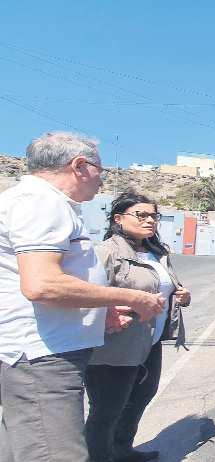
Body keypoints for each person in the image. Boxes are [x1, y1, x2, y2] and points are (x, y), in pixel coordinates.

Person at [0, 132, 165, 462]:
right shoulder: (42, 203)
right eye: (99, 170)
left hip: (39, 353)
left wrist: (102, 309)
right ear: (79, 166)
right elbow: (42, 284)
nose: (101, 179)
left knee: (23, 448)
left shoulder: (36, 201)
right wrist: (132, 297)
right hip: (43, 358)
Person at [85, 191, 191, 462]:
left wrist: (182, 295)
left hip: (149, 342)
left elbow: (167, 287)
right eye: (141, 215)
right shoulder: (106, 252)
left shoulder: (158, 253)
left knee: (140, 398)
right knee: (107, 410)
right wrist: (107, 310)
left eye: (154, 216)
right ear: (118, 219)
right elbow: (86, 294)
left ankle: (122, 451)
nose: (150, 220)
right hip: (115, 346)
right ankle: (98, 457)